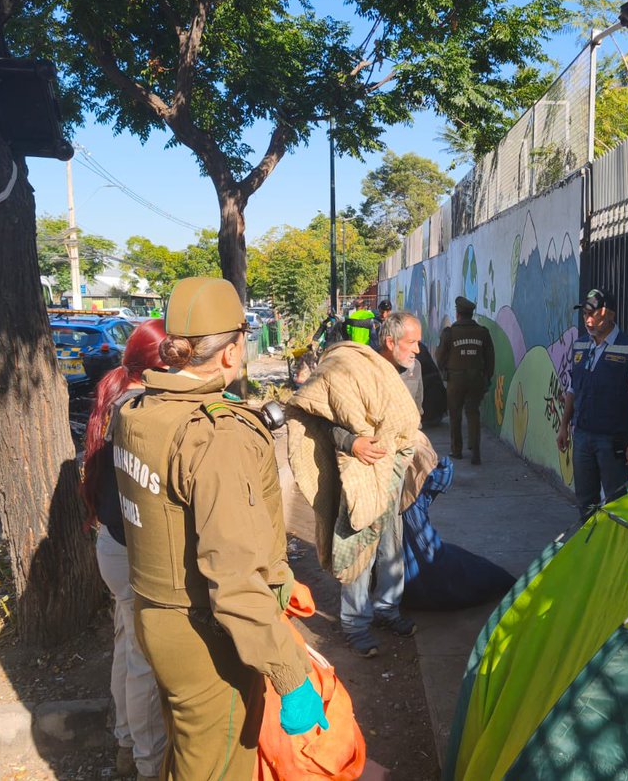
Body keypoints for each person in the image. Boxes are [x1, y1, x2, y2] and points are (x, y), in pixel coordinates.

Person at [112, 277, 325, 781]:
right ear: (230, 353)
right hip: (205, 632)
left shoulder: (141, 410)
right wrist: (289, 676)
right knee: (219, 765)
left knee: (188, 751)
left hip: (155, 613)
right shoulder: (215, 436)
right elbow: (231, 579)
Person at [80, 319, 168, 781]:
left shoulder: (116, 396)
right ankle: (147, 765)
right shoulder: (137, 408)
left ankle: (124, 743)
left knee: (125, 646)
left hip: (111, 546)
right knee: (144, 663)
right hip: (131, 549)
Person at [329, 312, 423, 656]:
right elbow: (327, 418)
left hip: (395, 471)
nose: (417, 350)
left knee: (391, 545)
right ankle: (355, 623)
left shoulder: (413, 370)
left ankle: (387, 609)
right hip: (362, 471)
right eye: (411, 343)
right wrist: (350, 442)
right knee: (360, 546)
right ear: (390, 342)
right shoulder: (354, 370)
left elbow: (416, 415)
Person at [556, 288, 628, 520]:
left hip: (613, 442)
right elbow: (572, 388)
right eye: (585, 314)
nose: (588, 320)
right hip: (582, 437)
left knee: (615, 501)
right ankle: (590, 548)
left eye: (594, 314)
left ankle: (615, 549)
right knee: (585, 501)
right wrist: (564, 426)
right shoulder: (580, 346)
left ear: (610, 315)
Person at [436, 296, 494, 465]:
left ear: (457, 313)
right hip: (476, 378)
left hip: (456, 379)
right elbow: (490, 357)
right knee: (473, 413)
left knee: (455, 415)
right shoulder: (482, 332)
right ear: (471, 314)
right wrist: (487, 378)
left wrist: (444, 371)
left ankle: (457, 450)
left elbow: (440, 356)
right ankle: (475, 451)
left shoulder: (450, 333)